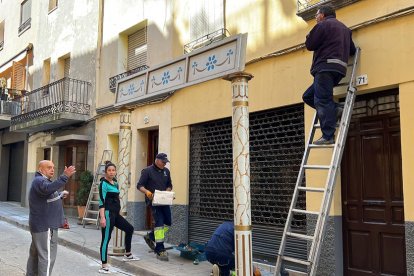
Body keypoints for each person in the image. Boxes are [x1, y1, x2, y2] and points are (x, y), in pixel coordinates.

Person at [302, 5, 356, 145]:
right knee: (308, 96)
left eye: (316, 14)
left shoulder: (322, 26)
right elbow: (352, 50)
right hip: (338, 71)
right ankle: (335, 109)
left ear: (323, 15)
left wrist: (309, 36)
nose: (315, 17)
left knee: (322, 100)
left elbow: (310, 45)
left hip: (324, 68)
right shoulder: (345, 29)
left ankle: (328, 136)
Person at [26, 160, 75, 276]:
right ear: (40, 169)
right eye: (49, 167)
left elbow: (47, 198)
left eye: (53, 167)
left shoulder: (42, 181)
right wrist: (64, 177)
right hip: (45, 226)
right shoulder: (39, 181)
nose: (52, 169)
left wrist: (60, 195)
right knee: (46, 258)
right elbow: (48, 189)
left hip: (41, 225)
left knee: (35, 255)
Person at [99, 161, 140, 274]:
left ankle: (127, 254)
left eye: (113, 170)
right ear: (105, 172)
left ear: (115, 171)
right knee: (106, 239)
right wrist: (102, 218)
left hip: (116, 214)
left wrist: (119, 211)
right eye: (109, 170)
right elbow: (101, 201)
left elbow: (116, 199)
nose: (111, 172)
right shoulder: (103, 183)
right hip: (107, 214)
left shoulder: (115, 182)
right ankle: (104, 265)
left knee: (129, 229)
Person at [137, 153, 173, 261]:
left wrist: (167, 191)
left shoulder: (166, 171)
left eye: (166, 162)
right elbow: (139, 185)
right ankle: (160, 249)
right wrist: (147, 192)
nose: (165, 164)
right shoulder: (147, 171)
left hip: (164, 200)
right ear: (157, 160)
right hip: (153, 201)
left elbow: (170, 185)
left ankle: (151, 237)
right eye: (163, 162)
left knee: (168, 223)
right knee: (159, 223)